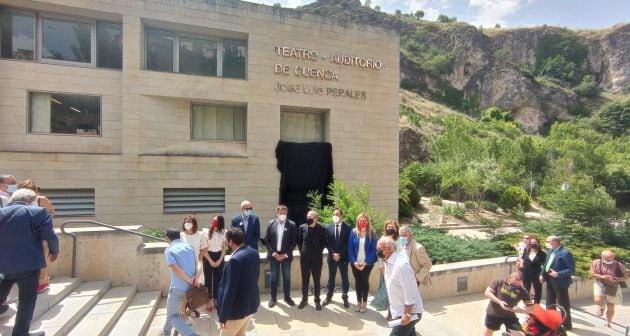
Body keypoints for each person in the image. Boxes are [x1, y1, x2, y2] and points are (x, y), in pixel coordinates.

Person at [0, 188, 59, 336]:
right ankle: (20, 333)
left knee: (4, 285)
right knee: (26, 300)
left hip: (4, 264)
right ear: (31, 200)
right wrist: (54, 251)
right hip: (29, 264)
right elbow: (50, 236)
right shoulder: (37, 213)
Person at [217, 227, 260, 336]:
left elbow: (230, 290)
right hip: (249, 306)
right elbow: (256, 277)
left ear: (231, 242)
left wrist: (223, 317)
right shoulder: (253, 252)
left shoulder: (235, 260)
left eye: (227, 241)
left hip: (236, 312)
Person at [377, 236, 423, 336]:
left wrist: (407, 314)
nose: (377, 252)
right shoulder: (388, 261)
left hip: (409, 313)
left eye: (379, 249)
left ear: (388, 249)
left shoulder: (401, 265)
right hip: (399, 312)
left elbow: (409, 291)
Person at [17, 179, 56, 294]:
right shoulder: (18, 201)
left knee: (41, 256)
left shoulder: (41, 200)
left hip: (40, 233)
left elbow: (52, 212)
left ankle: (42, 282)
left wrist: (42, 219)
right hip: (24, 233)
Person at [162, 228, 201, 336]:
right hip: (191, 288)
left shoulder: (169, 250)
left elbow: (175, 268)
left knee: (172, 316)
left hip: (178, 289)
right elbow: (198, 264)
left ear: (167, 239)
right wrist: (196, 278)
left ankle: (191, 335)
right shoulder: (189, 247)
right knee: (171, 312)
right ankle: (166, 332)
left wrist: (189, 279)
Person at [264, 205, 297, 308]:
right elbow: (267, 240)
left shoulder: (291, 224)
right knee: (273, 277)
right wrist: (274, 253)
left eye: (284, 213)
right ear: (277, 213)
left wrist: (285, 254)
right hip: (274, 255)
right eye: (280, 213)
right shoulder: (271, 223)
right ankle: (273, 298)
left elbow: (294, 241)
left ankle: (287, 297)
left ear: (286, 213)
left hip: (286, 256)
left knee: (286, 277)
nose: (282, 215)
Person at [539, 235, 575, 331]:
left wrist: (558, 274)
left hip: (560, 282)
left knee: (563, 304)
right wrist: (542, 274)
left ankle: (567, 325)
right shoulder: (550, 251)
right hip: (549, 280)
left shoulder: (565, 253)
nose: (546, 243)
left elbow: (571, 269)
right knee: (549, 302)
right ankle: (551, 321)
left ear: (554, 242)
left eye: (548, 241)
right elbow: (546, 264)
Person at [483, 271, 534, 336]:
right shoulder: (499, 282)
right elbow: (487, 292)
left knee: (520, 334)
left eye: (518, 285)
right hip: (494, 313)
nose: (515, 287)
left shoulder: (523, 291)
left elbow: (532, 308)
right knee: (487, 333)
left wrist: (521, 310)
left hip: (509, 315)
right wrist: (499, 302)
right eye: (513, 284)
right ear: (509, 278)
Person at [296, 210, 327, 310]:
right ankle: (304, 300)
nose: (308, 218)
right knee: (305, 280)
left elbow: (323, 244)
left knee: (317, 281)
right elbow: (299, 242)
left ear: (316, 219)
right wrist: (303, 252)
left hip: (317, 260)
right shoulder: (302, 227)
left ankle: (317, 301)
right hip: (304, 259)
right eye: (307, 216)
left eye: (311, 217)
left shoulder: (322, 229)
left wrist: (316, 253)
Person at [180, 215, 210, 318]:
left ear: (194, 223)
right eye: (186, 222)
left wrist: (200, 259)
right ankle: (183, 310)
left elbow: (203, 248)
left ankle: (193, 308)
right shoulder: (181, 235)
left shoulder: (200, 235)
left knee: (196, 289)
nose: (187, 224)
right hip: (184, 265)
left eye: (189, 222)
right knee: (185, 288)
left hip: (197, 264)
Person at [589, 250, 628, 327]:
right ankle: (601, 306)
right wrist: (602, 277)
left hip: (613, 286)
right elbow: (591, 273)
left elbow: (625, 277)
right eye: (607, 258)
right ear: (602, 257)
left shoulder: (619, 265)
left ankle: (608, 322)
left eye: (611, 258)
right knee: (597, 300)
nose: (609, 260)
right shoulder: (596, 262)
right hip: (600, 283)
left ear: (614, 257)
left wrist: (617, 279)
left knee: (611, 306)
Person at [348, 213, 378, 313]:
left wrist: (366, 262)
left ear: (367, 222)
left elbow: (374, 249)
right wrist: (354, 261)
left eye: (364, 220)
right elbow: (350, 248)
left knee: (364, 282)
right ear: (358, 222)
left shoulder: (372, 233)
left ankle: (364, 302)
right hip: (355, 262)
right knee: (358, 282)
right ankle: (358, 302)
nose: (362, 222)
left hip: (367, 263)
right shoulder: (353, 232)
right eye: (360, 220)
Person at [323, 207, 351, 308]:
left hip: (343, 258)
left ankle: (345, 297)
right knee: (331, 277)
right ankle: (329, 296)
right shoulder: (328, 227)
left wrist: (340, 255)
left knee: (345, 278)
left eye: (337, 214)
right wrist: (333, 254)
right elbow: (327, 242)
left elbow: (348, 243)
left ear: (341, 216)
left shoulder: (347, 227)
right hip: (332, 258)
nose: (335, 216)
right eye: (334, 214)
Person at [204, 215, 226, 312]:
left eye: (216, 224)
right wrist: (211, 261)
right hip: (208, 256)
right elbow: (204, 249)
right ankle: (208, 300)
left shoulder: (224, 233)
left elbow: (224, 248)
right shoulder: (206, 233)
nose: (214, 226)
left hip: (219, 256)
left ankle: (217, 299)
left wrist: (219, 260)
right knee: (208, 279)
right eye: (213, 223)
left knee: (218, 279)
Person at [519, 237, 546, 304]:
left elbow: (545, 265)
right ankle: (528, 306)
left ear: (538, 244)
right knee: (526, 290)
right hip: (526, 273)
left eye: (535, 243)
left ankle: (536, 307)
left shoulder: (542, 253)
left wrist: (542, 274)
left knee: (538, 290)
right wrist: (521, 265)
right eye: (531, 242)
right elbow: (523, 258)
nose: (533, 244)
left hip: (537, 273)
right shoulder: (526, 250)